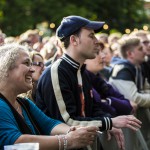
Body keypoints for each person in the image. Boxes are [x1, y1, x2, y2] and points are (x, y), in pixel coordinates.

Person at [36, 15, 141, 150]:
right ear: (74, 40)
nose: (97, 41)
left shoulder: (81, 71)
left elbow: (93, 109)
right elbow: (67, 121)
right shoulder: (57, 72)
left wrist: (108, 122)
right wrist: (109, 122)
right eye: (91, 36)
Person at [0, 43, 100, 150]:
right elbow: (15, 143)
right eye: (26, 63)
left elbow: (49, 124)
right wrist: (67, 141)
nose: (32, 69)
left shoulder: (23, 103)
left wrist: (75, 131)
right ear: (5, 67)